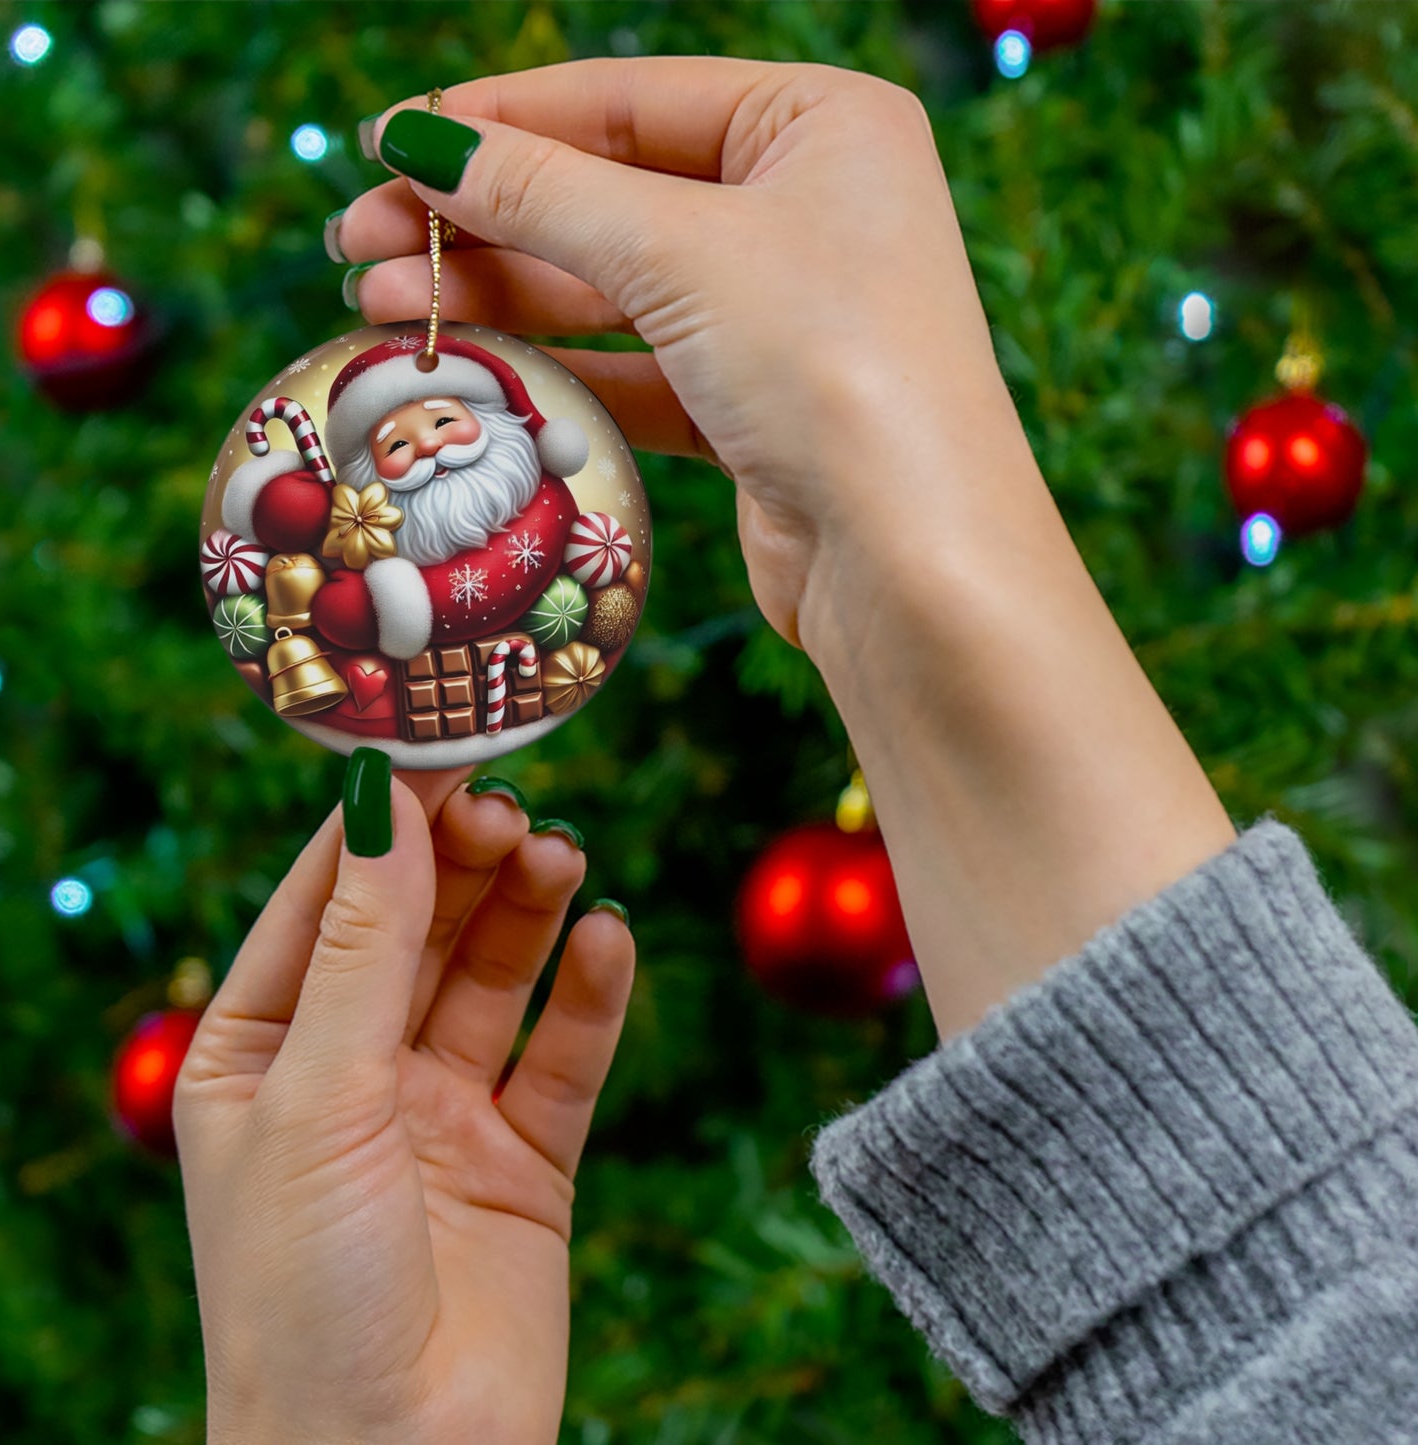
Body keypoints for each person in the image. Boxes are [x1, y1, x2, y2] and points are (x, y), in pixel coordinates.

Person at [173, 57, 1418, 1444]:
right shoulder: (368, 501)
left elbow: (1316, 1337)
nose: (417, 444)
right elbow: (1314, 1335)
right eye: (389, 443)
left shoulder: (526, 496)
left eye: (433, 423)